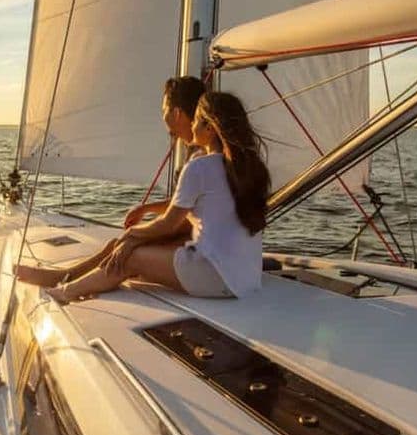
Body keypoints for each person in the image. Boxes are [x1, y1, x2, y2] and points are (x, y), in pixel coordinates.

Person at [16, 90, 271, 302]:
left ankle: (63, 292)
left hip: (214, 277)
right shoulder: (250, 168)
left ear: (210, 128)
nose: (192, 125)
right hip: (246, 280)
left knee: (130, 257)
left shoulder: (200, 167)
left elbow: (168, 224)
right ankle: (68, 280)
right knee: (135, 252)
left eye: (196, 119)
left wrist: (131, 236)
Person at [15, 75, 206, 288]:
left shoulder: (201, 159)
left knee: (123, 248)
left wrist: (136, 234)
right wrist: (146, 209)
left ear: (177, 113)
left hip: (196, 243)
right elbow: (186, 202)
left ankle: (66, 283)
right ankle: (67, 277)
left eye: (164, 110)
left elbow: (175, 220)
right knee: (118, 243)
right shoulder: (208, 154)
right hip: (194, 238)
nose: (162, 118)